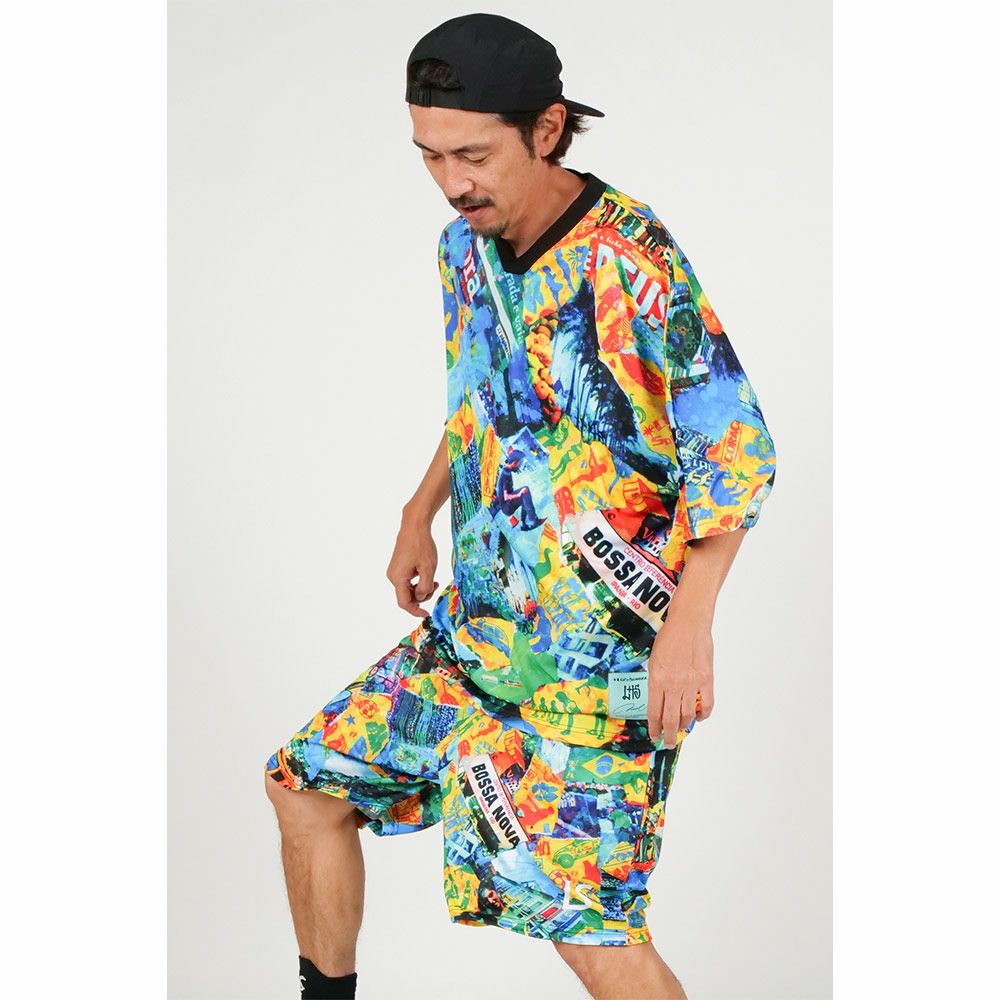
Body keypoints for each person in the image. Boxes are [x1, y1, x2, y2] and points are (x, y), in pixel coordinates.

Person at [265, 12, 777, 1000]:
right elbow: (486, 399)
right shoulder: (463, 249)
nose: (452, 182)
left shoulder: (631, 260)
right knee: (306, 786)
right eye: (430, 156)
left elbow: (736, 449)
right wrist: (419, 509)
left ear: (546, 129)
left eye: (473, 154)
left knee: (586, 928)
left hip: (598, 663)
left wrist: (689, 628)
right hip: (480, 631)